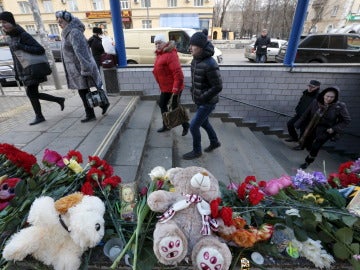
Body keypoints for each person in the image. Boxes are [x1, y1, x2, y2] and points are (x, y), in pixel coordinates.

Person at [0, 11, 65, 125]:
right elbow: (16, 57)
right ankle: (58, 100)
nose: (2, 25)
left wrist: (22, 46)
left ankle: (40, 115)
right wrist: (16, 71)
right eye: (1, 23)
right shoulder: (11, 37)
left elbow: (40, 49)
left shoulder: (22, 34)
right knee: (32, 94)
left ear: (11, 22)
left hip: (31, 69)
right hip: (24, 70)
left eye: (4, 22)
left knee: (31, 93)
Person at [55, 10, 109, 123]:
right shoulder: (68, 32)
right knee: (86, 90)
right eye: (58, 22)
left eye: (61, 21)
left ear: (68, 21)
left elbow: (81, 52)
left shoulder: (74, 32)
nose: (59, 24)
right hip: (76, 68)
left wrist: (85, 69)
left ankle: (91, 113)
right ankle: (102, 104)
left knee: (85, 91)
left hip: (80, 68)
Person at [182, 32, 222, 160]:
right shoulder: (196, 60)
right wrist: (194, 91)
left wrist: (202, 97)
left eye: (192, 45)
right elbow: (197, 80)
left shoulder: (211, 64)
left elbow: (217, 86)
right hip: (200, 99)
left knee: (193, 126)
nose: (190, 48)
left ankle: (197, 151)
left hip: (207, 102)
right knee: (204, 123)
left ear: (200, 47)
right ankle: (214, 141)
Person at [294, 86, 351, 169]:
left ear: (335, 98)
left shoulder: (339, 106)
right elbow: (306, 114)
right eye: (327, 96)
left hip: (326, 130)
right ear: (323, 95)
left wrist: (334, 129)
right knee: (308, 143)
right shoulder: (315, 102)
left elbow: (346, 120)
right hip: (313, 126)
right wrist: (297, 124)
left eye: (332, 97)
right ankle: (308, 149)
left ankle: (307, 162)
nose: (329, 99)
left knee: (316, 147)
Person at [152, 34, 189, 135]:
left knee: (173, 106)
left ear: (165, 43)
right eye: (156, 44)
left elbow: (178, 74)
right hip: (165, 87)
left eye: (159, 43)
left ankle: (184, 125)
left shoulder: (170, 54)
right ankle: (167, 125)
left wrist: (175, 90)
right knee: (163, 104)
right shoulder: (160, 54)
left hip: (173, 88)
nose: (157, 45)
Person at [286, 80, 321, 144]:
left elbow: (317, 109)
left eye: (312, 87)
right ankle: (294, 137)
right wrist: (297, 111)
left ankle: (300, 145)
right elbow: (300, 103)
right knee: (290, 124)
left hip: (308, 117)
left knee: (303, 131)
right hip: (299, 114)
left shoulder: (318, 97)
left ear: (317, 88)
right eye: (309, 86)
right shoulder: (305, 93)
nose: (310, 88)